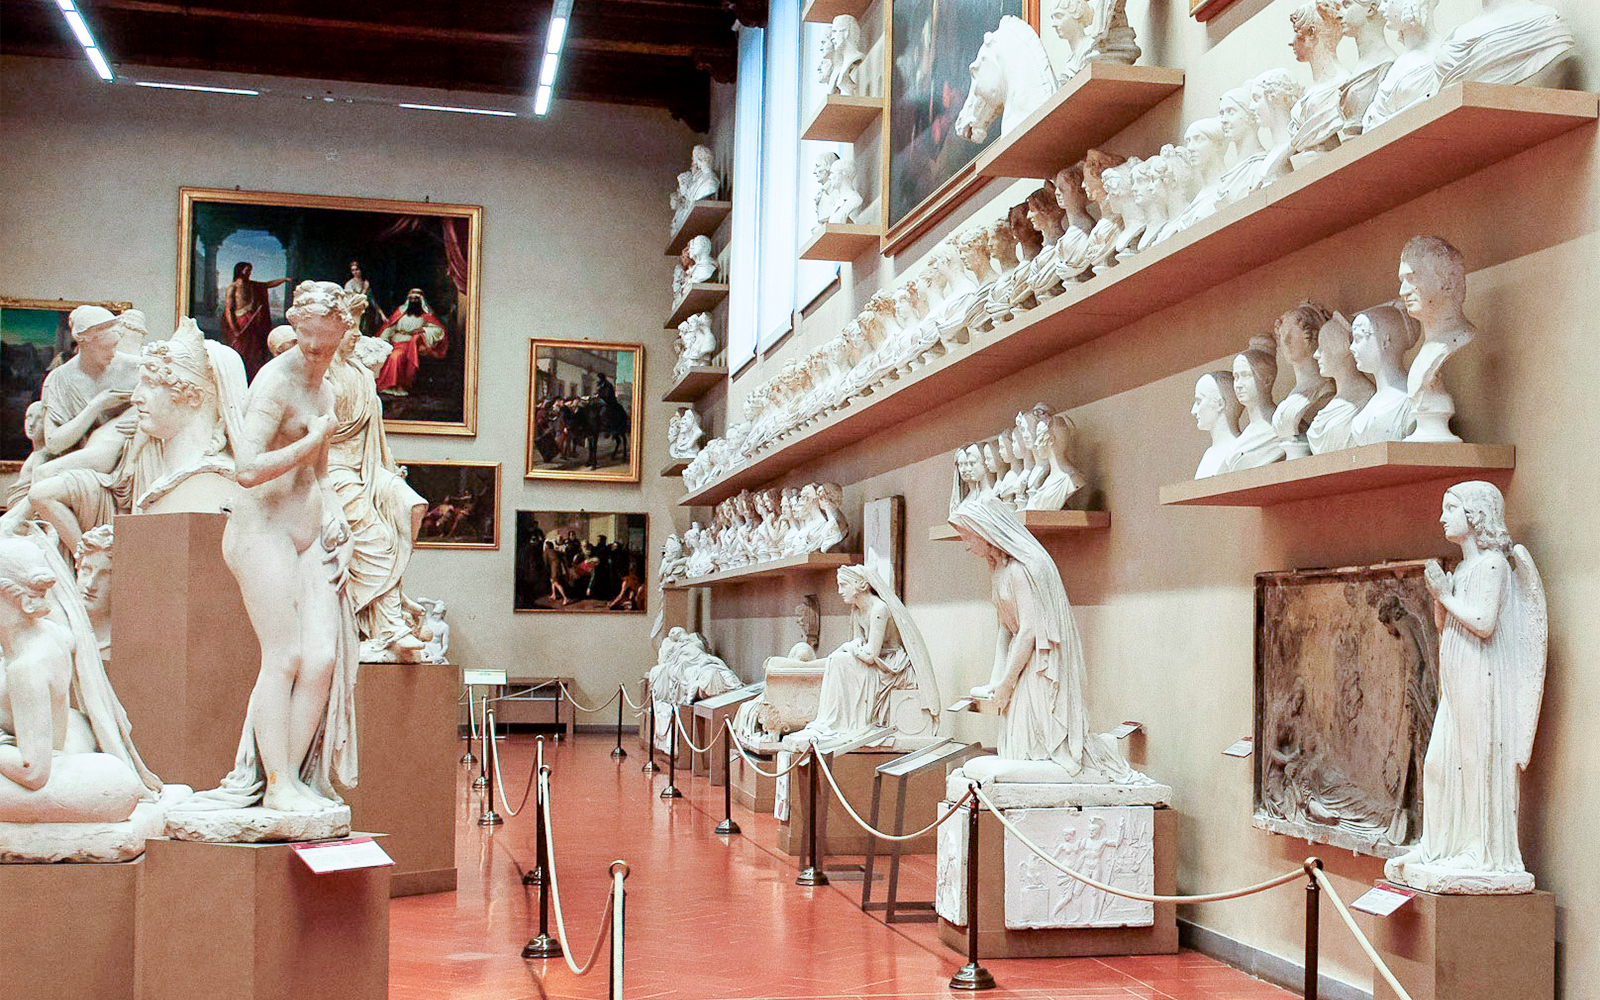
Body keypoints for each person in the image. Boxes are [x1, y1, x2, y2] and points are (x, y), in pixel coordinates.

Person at [174, 280, 359, 817]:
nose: (316, 352)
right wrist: (309, 440)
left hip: (307, 530)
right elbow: (247, 468)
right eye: (307, 340)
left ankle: (291, 779)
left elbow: (319, 468)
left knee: (322, 659)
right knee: (285, 656)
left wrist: (336, 512)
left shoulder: (326, 388)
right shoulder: (275, 382)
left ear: (343, 334)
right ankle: (275, 783)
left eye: (326, 342)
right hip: (262, 532)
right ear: (296, 329)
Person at [374, 289, 448, 397]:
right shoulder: (400, 312)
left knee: (396, 356)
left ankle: (393, 385)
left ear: (421, 300)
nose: (413, 301)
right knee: (384, 354)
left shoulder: (426, 316)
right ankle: (385, 384)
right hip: (394, 341)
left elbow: (439, 330)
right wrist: (382, 340)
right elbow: (391, 327)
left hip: (409, 344)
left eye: (416, 299)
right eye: (411, 299)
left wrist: (423, 331)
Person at [221, 262, 289, 379]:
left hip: (253, 322)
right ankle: (238, 376)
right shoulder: (233, 287)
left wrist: (284, 279)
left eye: (250, 271)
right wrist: (234, 328)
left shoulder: (253, 285)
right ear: (240, 271)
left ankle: (252, 376)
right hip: (241, 322)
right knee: (240, 350)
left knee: (254, 352)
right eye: (247, 270)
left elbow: (268, 284)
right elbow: (229, 310)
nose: (249, 273)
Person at [343, 260, 383, 336]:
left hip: (366, 313)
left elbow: (372, 300)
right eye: (353, 270)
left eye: (357, 270)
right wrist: (364, 290)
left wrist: (381, 314)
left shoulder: (365, 283)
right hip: (355, 314)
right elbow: (353, 301)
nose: (355, 272)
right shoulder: (349, 284)